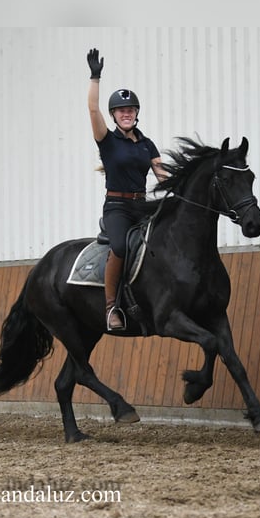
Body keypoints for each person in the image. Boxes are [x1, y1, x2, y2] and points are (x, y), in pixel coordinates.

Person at [87, 48, 166, 331]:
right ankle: (111, 308)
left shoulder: (147, 144)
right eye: (121, 111)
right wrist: (95, 77)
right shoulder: (107, 141)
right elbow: (93, 109)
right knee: (119, 246)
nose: (127, 114)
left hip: (141, 205)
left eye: (130, 110)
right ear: (114, 115)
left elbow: (161, 173)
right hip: (117, 208)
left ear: (136, 114)